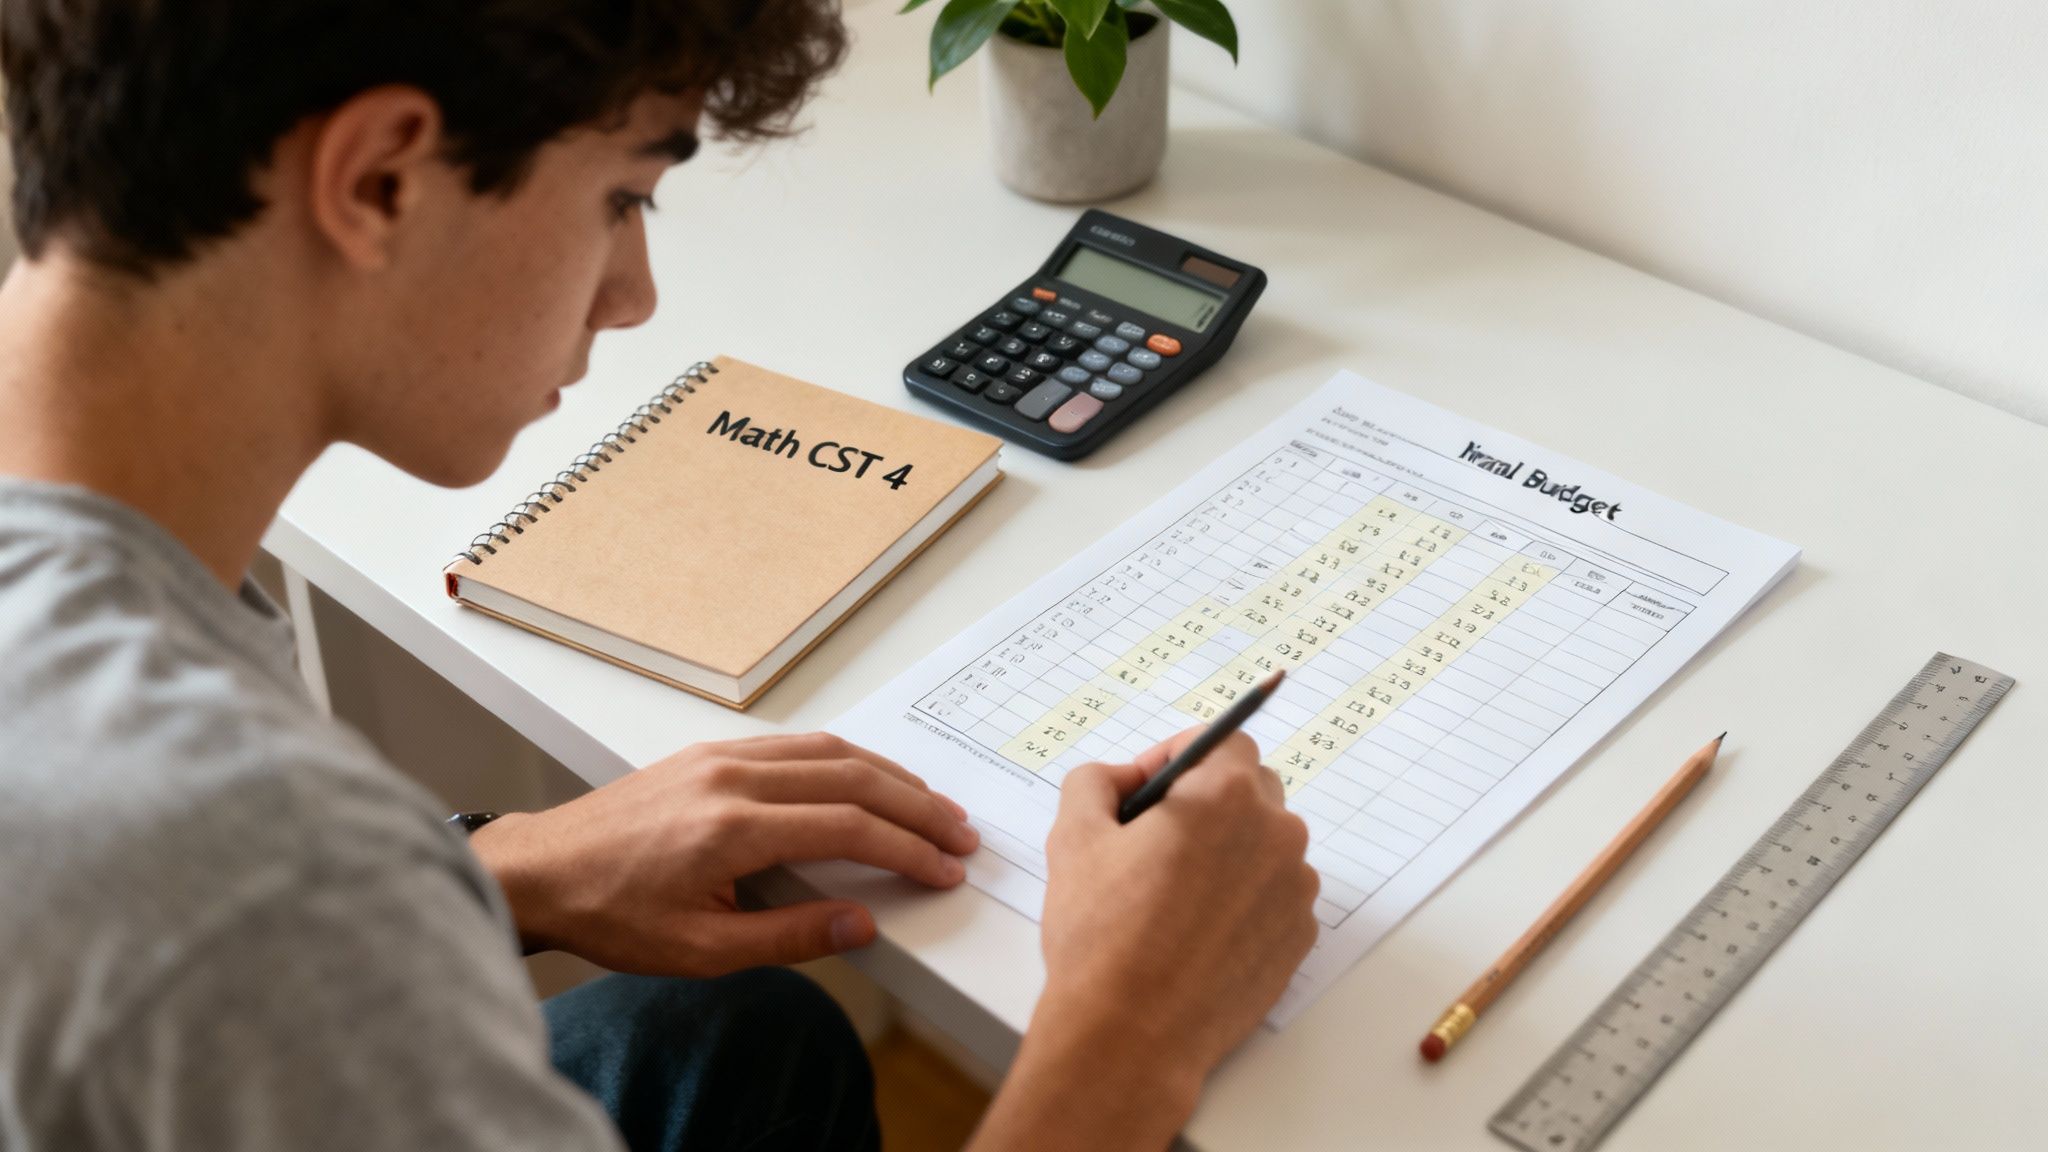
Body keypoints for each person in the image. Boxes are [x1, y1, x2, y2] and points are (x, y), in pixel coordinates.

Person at [0, 1, 1320, 1149]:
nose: (633, 292)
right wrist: (1130, 1028)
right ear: (383, 179)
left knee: (733, 1045)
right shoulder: (247, 854)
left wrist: (490, 872)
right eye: (625, 194)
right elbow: (231, 907)